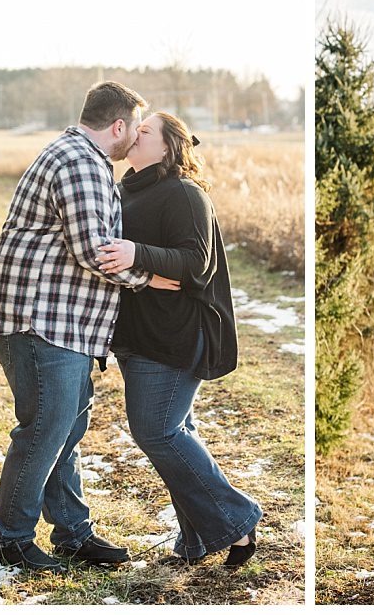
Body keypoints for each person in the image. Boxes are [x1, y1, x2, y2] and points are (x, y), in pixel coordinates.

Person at [0, 82, 181, 573]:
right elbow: (95, 250)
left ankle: (71, 532)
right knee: (46, 429)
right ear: (118, 125)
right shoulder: (81, 163)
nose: (135, 140)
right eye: (134, 128)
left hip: (61, 323)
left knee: (64, 428)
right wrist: (152, 276)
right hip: (40, 321)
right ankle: (9, 538)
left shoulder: (79, 158)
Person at [95, 111, 262, 569]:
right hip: (136, 334)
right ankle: (193, 542)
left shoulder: (185, 194)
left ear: (168, 147)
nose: (134, 134)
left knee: (157, 431)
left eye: (145, 131)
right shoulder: (126, 190)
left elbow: (196, 264)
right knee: (175, 432)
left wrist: (136, 254)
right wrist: (144, 272)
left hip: (173, 336)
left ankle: (238, 518)